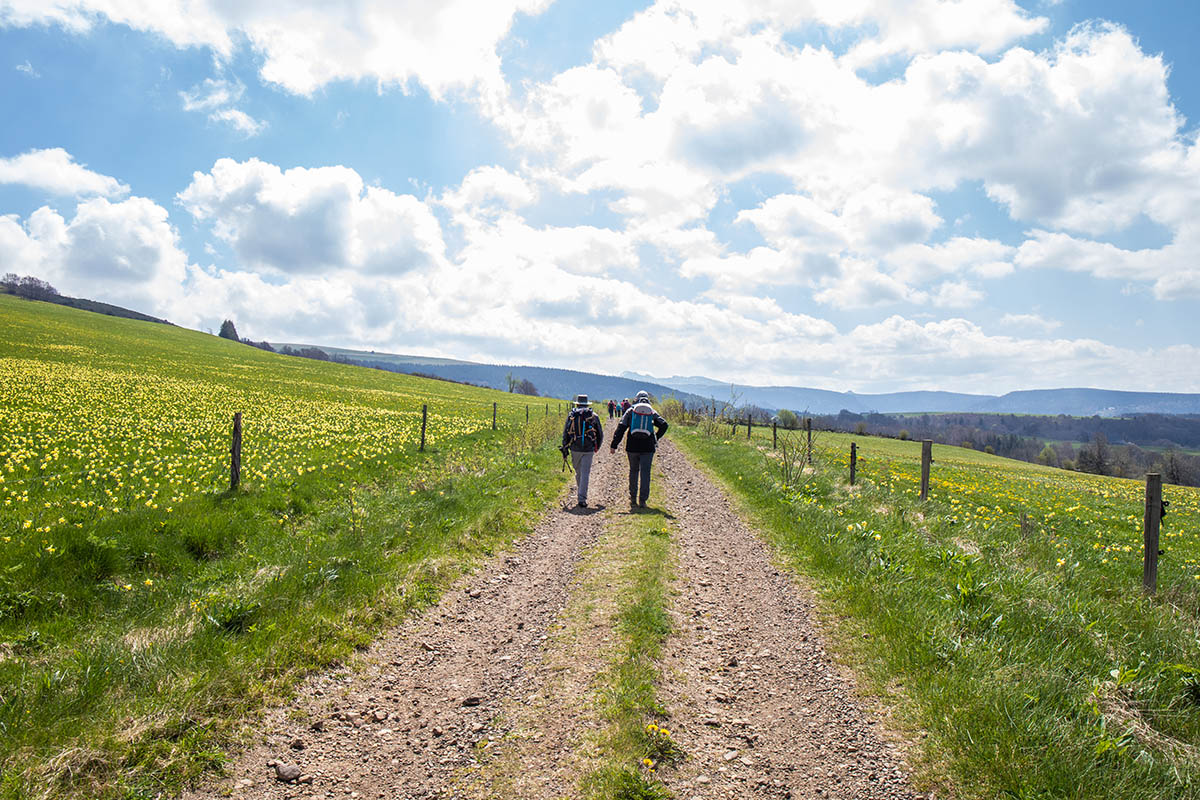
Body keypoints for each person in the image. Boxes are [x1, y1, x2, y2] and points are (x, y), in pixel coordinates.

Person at [609, 390, 668, 510]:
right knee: (645, 473)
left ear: (636, 399)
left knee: (633, 471)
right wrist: (656, 437)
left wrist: (614, 445)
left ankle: (633, 498)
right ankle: (643, 501)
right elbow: (664, 424)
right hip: (648, 447)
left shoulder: (631, 411)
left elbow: (621, 427)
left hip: (632, 446)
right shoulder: (651, 411)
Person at [562, 394, 603, 508]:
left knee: (578, 472)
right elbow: (600, 434)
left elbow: (566, 433)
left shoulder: (572, 415)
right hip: (589, 448)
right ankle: (582, 497)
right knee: (585, 473)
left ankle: (581, 495)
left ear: (577, 403)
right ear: (587, 404)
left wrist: (565, 448)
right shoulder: (594, 416)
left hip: (575, 447)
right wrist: (596, 447)